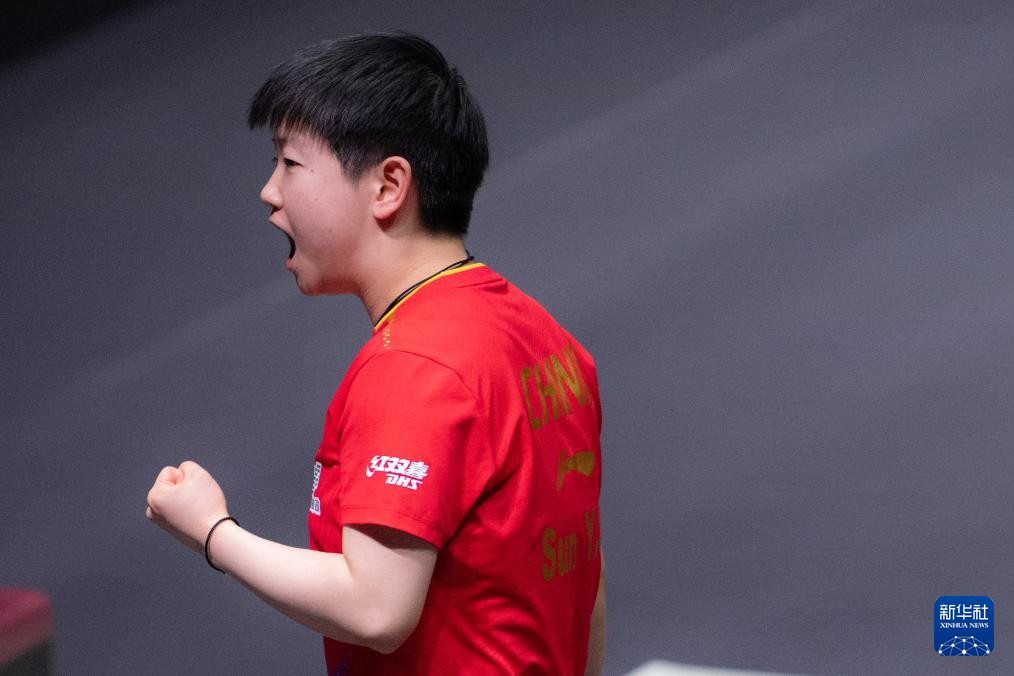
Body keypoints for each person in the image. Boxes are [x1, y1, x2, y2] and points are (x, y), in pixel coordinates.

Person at [145, 31, 605, 675]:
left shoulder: (412, 369)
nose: (270, 191)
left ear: (388, 186)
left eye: (290, 164)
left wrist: (212, 532)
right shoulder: (546, 338)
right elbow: (584, 579)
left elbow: (376, 609)